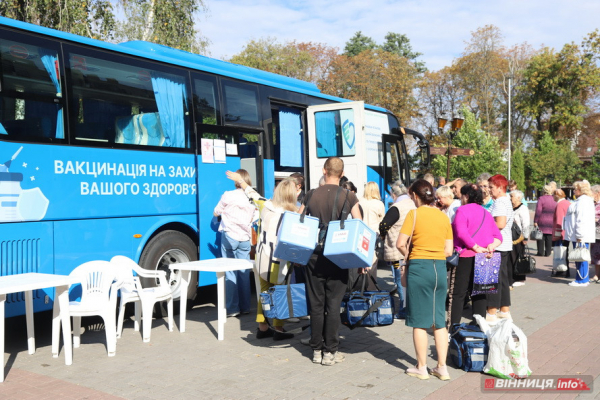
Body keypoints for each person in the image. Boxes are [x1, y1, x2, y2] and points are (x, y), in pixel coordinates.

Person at [299, 157, 362, 366]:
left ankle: (316, 349)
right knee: (334, 304)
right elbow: (359, 226)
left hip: (314, 256)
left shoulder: (310, 195)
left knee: (316, 304)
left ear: (325, 171)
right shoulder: (349, 196)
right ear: (341, 173)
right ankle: (330, 352)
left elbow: (300, 222)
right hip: (339, 255)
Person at [225, 171, 297, 340]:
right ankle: (279, 329)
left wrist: (241, 180)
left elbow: (252, 194)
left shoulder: (265, 205)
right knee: (280, 292)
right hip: (280, 259)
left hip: (262, 256)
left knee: (263, 293)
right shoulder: (291, 215)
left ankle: (262, 327)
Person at [397, 179, 453, 381]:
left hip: (419, 267)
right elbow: (448, 250)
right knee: (439, 321)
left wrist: (408, 255)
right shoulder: (443, 217)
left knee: (419, 321)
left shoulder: (414, 214)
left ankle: (421, 366)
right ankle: (442, 367)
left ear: (414, 195)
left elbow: (400, 243)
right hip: (439, 268)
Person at [449, 184, 502, 325]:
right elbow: (498, 236)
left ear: (466, 196)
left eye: (461, 195)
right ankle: (479, 326)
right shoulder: (486, 213)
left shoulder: (462, 210)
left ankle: (453, 326)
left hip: (466, 255)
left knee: (458, 293)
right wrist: (491, 246)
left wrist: (475, 247)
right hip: (485, 257)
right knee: (480, 292)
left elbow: (461, 232)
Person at [213, 169, 257, 317]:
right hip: (245, 238)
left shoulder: (228, 195)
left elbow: (216, 212)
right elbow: (254, 217)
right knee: (244, 272)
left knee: (230, 272)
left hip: (230, 236)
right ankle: (245, 307)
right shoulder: (251, 197)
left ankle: (233, 309)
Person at [379, 180, 416, 319]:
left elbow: (383, 225)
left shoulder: (396, 207)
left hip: (398, 249)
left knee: (400, 280)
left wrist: (383, 236)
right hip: (412, 247)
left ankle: (403, 310)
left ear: (393, 194)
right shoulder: (413, 204)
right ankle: (410, 308)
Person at [486, 174, 514, 322]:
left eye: (491, 187)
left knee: (493, 280)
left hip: (497, 244)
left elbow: (501, 223)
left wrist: (485, 226)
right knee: (502, 279)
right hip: (504, 243)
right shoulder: (505, 200)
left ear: (499, 187)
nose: (489, 190)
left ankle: (491, 312)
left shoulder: (500, 202)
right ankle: (504, 309)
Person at [563, 180, 596, 287]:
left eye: (575, 189)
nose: (573, 191)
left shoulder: (583, 201)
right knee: (580, 256)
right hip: (578, 234)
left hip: (580, 234)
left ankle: (581, 279)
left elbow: (581, 220)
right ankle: (581, 278)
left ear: (581, 190)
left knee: (581, 256)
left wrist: (579, 235)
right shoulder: (582, 200)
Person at [359, 181, 385, 289]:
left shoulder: (360, 201)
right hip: (374, 235)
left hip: (361, 234)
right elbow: (382, 221)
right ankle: (371, 288)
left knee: (361, 261)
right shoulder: (379, 204)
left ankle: (360, 286)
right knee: (372, 263)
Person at [510, 190, 530, 287]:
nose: (510, 198)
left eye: (512, 196)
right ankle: (512, 277)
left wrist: (525, 237)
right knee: (511, 257)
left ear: (518, 198)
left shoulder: (523, 208)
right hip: (510, 237)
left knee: (519, 257)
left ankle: (520, 278)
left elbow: (526, 224)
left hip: (519, 237)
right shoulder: (510, 208)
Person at [551, 189, 571, 278]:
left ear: (557, 195)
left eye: (553, 195)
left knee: (560, 253)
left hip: (561, 233)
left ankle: (562, 270)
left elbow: (559, 221)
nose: (552, 197)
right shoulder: (568, 203)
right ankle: (566, 271)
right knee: (565, 252)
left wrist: (557, 235)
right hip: (567, 231)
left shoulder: (559, 205)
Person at [533, 184, 557, 257]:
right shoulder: (554, 199)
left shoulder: (541, 199)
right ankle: (548, 252)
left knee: (540, 236)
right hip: (551, 220)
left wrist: (535, 221)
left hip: (542, 220)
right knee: (549, 237)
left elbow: (538, 211)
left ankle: (540, 252)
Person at [591, 185, 600, 282]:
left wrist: (596, 220)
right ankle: (596, 275)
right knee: (595, 255)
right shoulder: (592, 204)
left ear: (597, 193)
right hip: (593, 234)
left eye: (592, 193)